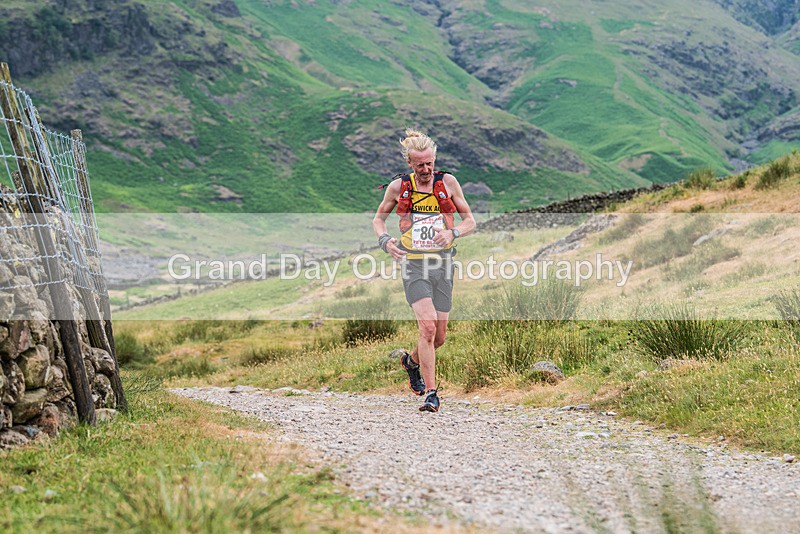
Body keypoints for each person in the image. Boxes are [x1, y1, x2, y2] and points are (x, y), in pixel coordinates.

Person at [372, 129, 475, 412]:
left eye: (430, 163)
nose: (426, 169)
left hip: (443, 264)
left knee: (438, 337)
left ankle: (410, 362)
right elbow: (378, 220)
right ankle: (432, 393)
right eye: (420, 165)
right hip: (414, 264)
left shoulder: (448, 183)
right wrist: (385, 241)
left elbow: (470, 221)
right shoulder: (399, 187)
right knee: (427, 328)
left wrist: (453, 232)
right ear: (410, 163)